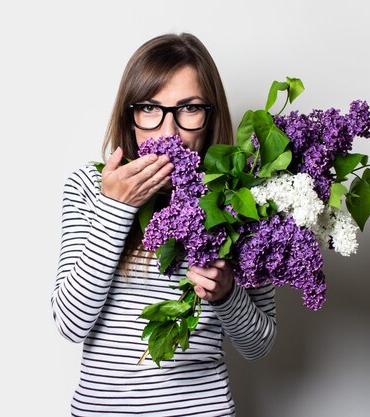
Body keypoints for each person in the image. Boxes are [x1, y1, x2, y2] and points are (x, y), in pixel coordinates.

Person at [51, 32, 276, 417]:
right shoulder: (89, 188)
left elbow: (258, 346)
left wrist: (225, 294)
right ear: (130, 116)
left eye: (189, 109)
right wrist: (116, 207)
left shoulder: (240, 198)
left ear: (210, 116)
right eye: (151, 109)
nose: (168, 132)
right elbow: (71, 323)